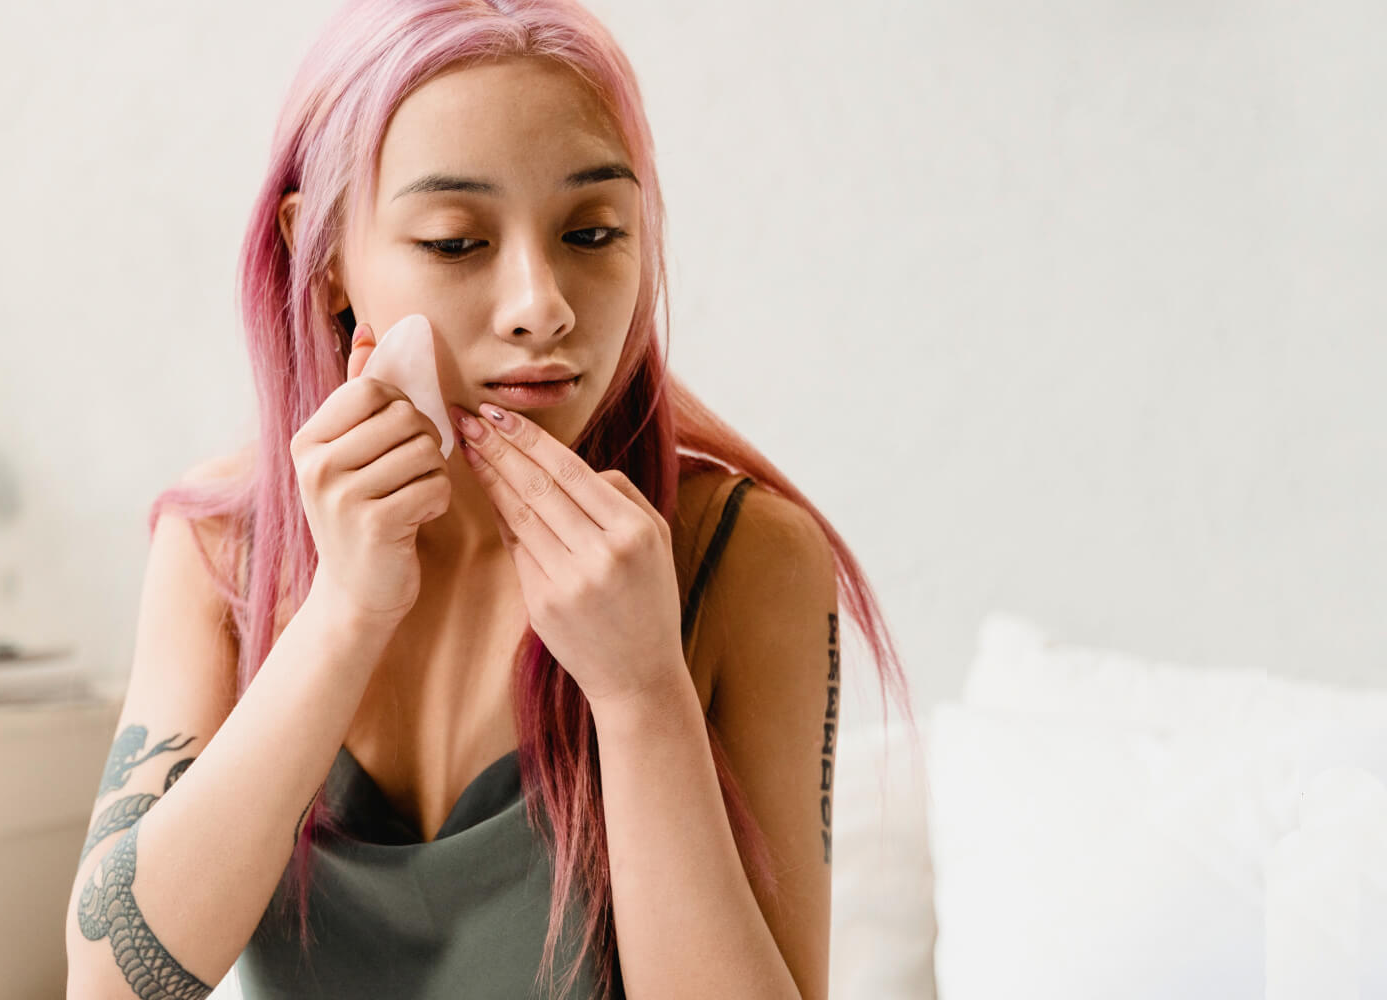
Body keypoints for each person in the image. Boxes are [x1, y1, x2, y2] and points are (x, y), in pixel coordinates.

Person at [65, 2, 915, 998]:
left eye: (592, 232)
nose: (541, 306)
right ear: (325, 259)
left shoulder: (744, 557)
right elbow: (109, 986)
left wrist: (642, 695)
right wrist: (344, 613)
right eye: (456, 242)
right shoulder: (221, 545)